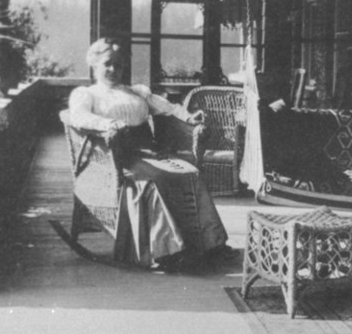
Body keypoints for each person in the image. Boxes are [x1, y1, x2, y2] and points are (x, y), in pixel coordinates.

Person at [68, 38, 231, 270]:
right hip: (114, 156)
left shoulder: (137, 92)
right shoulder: (87, 94)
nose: (114, 70)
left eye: (119, 65)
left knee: (190, 173)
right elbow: (78, 117)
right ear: (94, 65)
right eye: (108, 64)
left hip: (148, 151)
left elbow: (169, 108)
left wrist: (188, 118)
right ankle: (168, 251)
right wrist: (109, 124)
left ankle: (209, 243)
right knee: (152, 182)